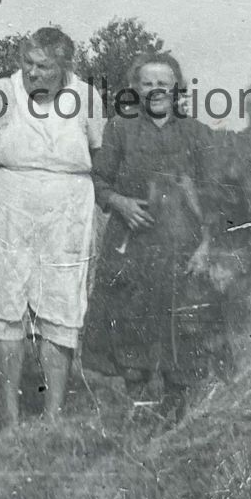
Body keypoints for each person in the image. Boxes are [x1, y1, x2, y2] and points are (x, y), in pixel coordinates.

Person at [0, 27, 104, 428]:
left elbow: (99, 152)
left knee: (61, 308)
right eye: (28, 63)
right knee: (7, 309)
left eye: (44, 67)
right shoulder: (0, 92)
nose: (33, 73)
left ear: (64, 67)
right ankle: (11, 414)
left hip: (67, 208)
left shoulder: (86, 96)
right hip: (10, 203)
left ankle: (53, 417)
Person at [87, 52, 217, 415]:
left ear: (177, 88)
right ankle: (139, 407)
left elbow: (213, 194)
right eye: (147, 83)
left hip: (180, 246)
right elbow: (98, 179)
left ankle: (176, 408)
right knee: (130, 323)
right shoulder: (120, 128)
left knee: (182, 325)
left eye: (164, 83)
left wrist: (207, 245)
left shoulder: (196, 132)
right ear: (135, 88)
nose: (156, 90)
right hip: (131, 244)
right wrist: (120, 203)